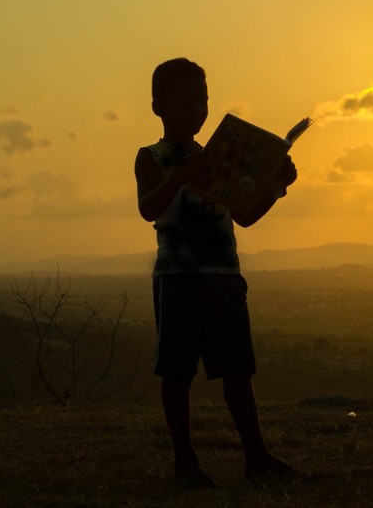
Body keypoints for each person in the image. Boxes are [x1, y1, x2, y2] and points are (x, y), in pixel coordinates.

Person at [134, 57, 299, 488]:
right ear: (159, 107)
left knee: (237, 370)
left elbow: (243, 217)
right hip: (178, 279)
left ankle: (256, 455)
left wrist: (277, 187)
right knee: (177, 371)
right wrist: (181, 178)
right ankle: (184, 460)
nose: (197, 112)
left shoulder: (219, 157)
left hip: (224, 276)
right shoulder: (152, 157)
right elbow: (147, 208)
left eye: (202, 102)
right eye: (186, 103)